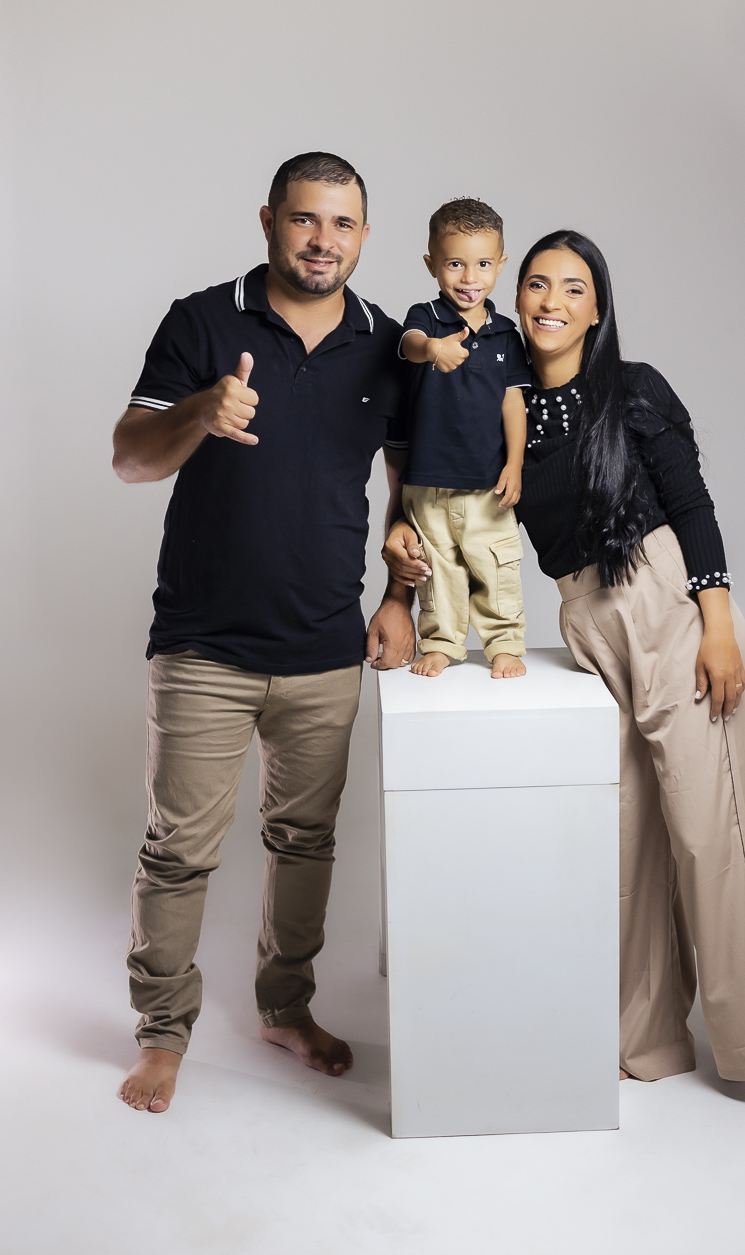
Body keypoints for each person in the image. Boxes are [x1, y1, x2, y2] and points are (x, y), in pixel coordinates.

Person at [385, 229, 745, 1084]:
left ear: (596, 308)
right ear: (513, 296)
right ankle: (647, 1041)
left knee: (707, 832)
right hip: (585, 621)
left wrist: (714, 621)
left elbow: (692, 504)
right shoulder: (500, 397)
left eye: (571, 287)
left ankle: (742, 1041)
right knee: (629, 840)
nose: (551, 302)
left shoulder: (632, 388)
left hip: (669, 604)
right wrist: (403, 538)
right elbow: (442, 486)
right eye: (535, 284)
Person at [112, 151, 415, 1113]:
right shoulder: (202, 320)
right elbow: (129, 457)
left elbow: (408, 483)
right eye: (304, 219)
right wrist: (201, 410)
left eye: (342, 223)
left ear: (363, 236)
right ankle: (162, 1034)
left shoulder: (389, 343)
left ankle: (285, 1008)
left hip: (326, 645)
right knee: (177, 853)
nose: (322, 240)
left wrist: (397, 598)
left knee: (305, 843)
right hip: (203, 645)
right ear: (269, 220)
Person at [397, 198, 530, 679]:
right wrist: (433, 348)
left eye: (483, 264)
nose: (470, 277)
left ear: (501, 264)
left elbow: (513, 402)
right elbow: (409, 345)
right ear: (431, 263)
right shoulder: (426, 318)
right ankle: (441, 643)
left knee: (496, 566)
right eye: (455, 264)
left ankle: (505, 644)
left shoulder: (506, 335)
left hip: (487, 481)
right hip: (428, 479)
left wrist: (514, 463)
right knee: (437, 569)